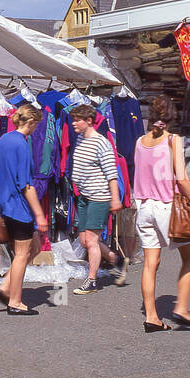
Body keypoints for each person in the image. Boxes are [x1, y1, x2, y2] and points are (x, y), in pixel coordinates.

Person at [133, 118, 190, 332]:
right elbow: (182, 179)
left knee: (150, 264)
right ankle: (182, 308)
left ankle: (151, 317)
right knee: (189, 257)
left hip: (144, 206)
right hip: (166, 207)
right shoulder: (173, 140)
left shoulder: (140, 141)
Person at [0, 102, 48, 315]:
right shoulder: (22, 144)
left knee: (32, 248)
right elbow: (26, 185)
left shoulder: (4, 140)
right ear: (32, 122)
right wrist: (39, 214)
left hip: (6, 203)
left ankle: (7, 285)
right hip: (19, 206)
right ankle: (15, 301)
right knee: (22, 254)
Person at [67, 103, 124, 294]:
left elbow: (111, 173)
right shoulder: (80, 139)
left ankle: (92, 280)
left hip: (99, 197)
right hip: (83, 196)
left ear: (89, 121)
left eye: (77, 120)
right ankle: (116, 260)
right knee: (84, 240)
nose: (73, 123)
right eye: (73, 119)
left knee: (91, 241)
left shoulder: (102, 143)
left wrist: (115, 199)